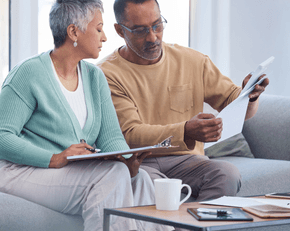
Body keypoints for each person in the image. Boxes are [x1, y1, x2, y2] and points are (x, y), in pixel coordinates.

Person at [0, 1, 172, 230]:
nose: (104, 38)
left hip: (62, 173)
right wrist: (55, 157)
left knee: (139, 179)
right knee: (111, 176)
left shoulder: (95, 77)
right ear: (74, 32)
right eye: (99, 29)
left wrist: (126, 161)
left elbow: (111, 138)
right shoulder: (29, 73)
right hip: (13, 171)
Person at [97, 0, 269, 202]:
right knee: (146, 185)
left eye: (157, 25)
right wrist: (185, 131)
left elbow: (236, 106)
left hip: (189, 161)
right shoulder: (106, 74)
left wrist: (250, 96)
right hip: (141, 162)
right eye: (140, 30)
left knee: (227, 174)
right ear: (120, 31)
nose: (153, 37)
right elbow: (131, 135)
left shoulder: (193, 61)